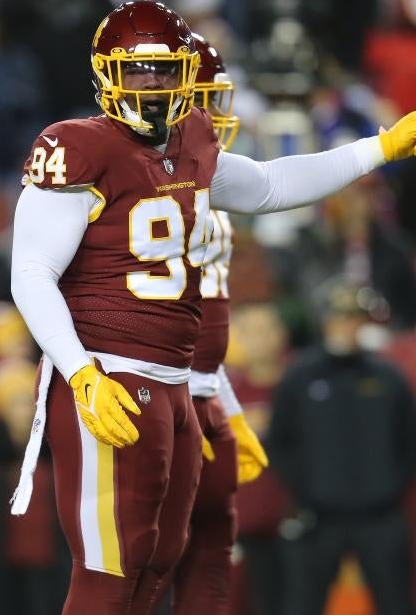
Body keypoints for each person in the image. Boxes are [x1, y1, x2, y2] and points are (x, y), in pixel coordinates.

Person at [7, 0, 416, 614]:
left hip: (175, 384)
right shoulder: (76, 148)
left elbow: (271, 185)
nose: (152, 86)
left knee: (156, 564)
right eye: (137, 72)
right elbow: (31, 273)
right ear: (105, 74)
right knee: (108, 572)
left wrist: (381, 147)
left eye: (166, 71)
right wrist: (80, 372)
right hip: (109, 376)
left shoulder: (193, 140)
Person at [159, 32, 268, 615]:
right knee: (138, 568)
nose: (216, 115)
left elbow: (203, 327)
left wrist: (225, 398)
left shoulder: (210, 182)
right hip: (149, 397)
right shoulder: (125, 173)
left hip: (201, 397)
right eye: (202, 99)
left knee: (211, 561)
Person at [266, 280, 416, 615]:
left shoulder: (389, 378)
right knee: (302, 606)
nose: (346, 326)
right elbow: (279, 442)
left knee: (398, 604)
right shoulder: (300, 377)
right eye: (339, 317)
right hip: (319, 518)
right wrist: (307, 490)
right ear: (324, 321)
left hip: (381, 516)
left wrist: (389, 486)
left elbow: (414, 443)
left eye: (354, 318)